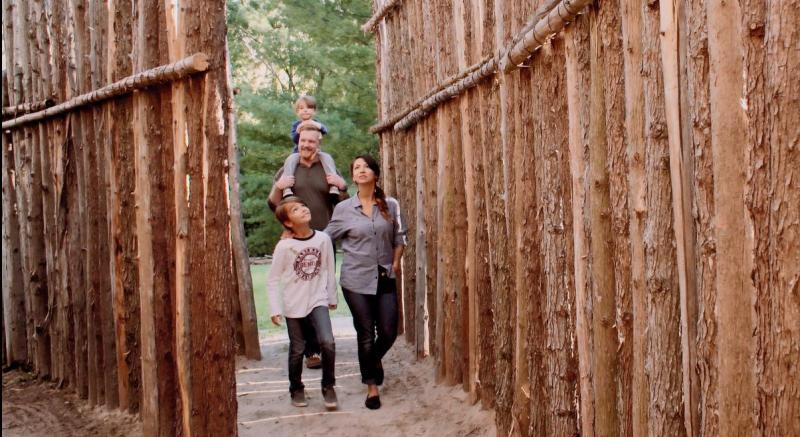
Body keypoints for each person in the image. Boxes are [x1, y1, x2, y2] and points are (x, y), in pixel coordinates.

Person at [324, 155, 407, 410]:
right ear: (353, 176)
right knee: (365, 334)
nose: (361, 170)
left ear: (375, 174)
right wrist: (297, 235)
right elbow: (326, 237)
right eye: (356, 167)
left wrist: (394, 263)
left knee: (389, 331)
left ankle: (373, 361)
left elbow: (400, 238)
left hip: (384, 277)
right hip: (355, 279)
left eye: (366, 166)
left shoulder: (390, 205)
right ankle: (372, 387)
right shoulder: (343, 209)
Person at [268, 124, 348, 369]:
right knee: (300, 290)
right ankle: (311, 349)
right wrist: (279, 186)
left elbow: (342, 203)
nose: (306, 145)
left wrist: (342, 185)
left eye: (311, 142)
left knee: (320, 287)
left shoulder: (327, 166)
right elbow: (274, 204)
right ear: (298, 141)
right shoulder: (289, 166)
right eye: (303, 141)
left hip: (324, 236)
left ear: (318, 144)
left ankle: (321, 341)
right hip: (296, 239)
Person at [266, 196, 339, 410]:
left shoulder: (323, 239)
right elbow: (272, 279)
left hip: (318, 299)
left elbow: (328, 269)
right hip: (293, 303)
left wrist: (331, 297)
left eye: (303, 206)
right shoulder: (284, 246)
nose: (303, 209)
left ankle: (328, 385)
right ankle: (296, 388)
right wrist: (275, 308)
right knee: (297, 349)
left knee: (328, 342)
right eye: (296, 209)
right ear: (288, 222)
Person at [282, 95, 340, 197]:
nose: (305, 111)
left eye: (309, 108)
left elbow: (324, 131)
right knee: (290, 160)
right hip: (298, 153)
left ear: (314, 111)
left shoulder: (316, 123)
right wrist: (298, 130)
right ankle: (287, 188)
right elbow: (295, 139)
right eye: (301, 108)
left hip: (316, 152)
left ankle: (333, 185)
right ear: (297, 112)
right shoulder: (296, 124)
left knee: (327, 158)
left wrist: (316, 125)